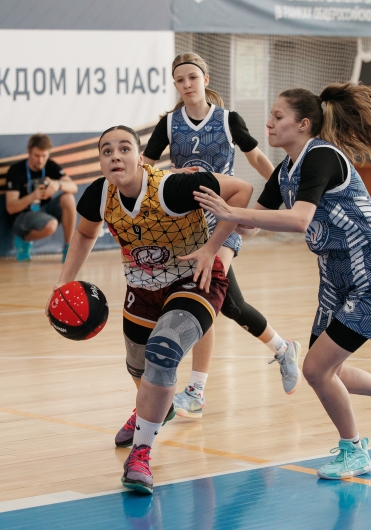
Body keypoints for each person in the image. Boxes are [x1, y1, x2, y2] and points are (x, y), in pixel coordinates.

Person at [193, 83, 371, 480]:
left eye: (278, 116)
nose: (269, 123)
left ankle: (354, 451)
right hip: (336, 278)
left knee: (317, 370)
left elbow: (299, 220)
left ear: (303, 124)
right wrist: (218, 216)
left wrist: (234, 212)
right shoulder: (285, 171)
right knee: (327, 370)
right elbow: (250, 226)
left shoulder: (321, 156)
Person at [50, 125, 252, 494]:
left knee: (163, 351)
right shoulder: (99, 194)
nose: (115, 156)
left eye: (124, 148)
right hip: (143, 288)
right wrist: (64, 283)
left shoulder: (172, 188)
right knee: (138, 367)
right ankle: (155, 408)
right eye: (107, 151)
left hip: (194, 279)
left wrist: (212, 248)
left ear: (140, 157)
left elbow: (241, 189)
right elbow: (84, 233)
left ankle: (141, 455)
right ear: (101, 162)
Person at [140, 52, 301, 422]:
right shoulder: (169, 124)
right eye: (180, 80)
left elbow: (259, 160)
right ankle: (282, 347)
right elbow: (145, 168)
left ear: (206, 79)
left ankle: (196, 391)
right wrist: (170, 175)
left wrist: (277, 196)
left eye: (192, 77)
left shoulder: (228, 120)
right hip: (185, 223)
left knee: (203, 292)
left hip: (222, 219)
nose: (187, 84)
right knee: (229, 304)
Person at [5, 134, 78, 261]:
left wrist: (57, 184)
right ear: (29, 152)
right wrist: (33, 196)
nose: (40, 160)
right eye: (37, 156)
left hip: (44, 211)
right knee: (51, 225)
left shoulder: (50, 166)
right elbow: (11, 208)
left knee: (68, 198)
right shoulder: (16, 170)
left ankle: (68, 248)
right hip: (22, 215)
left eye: (44, 156)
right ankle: (24, 239)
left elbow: (73, 187)